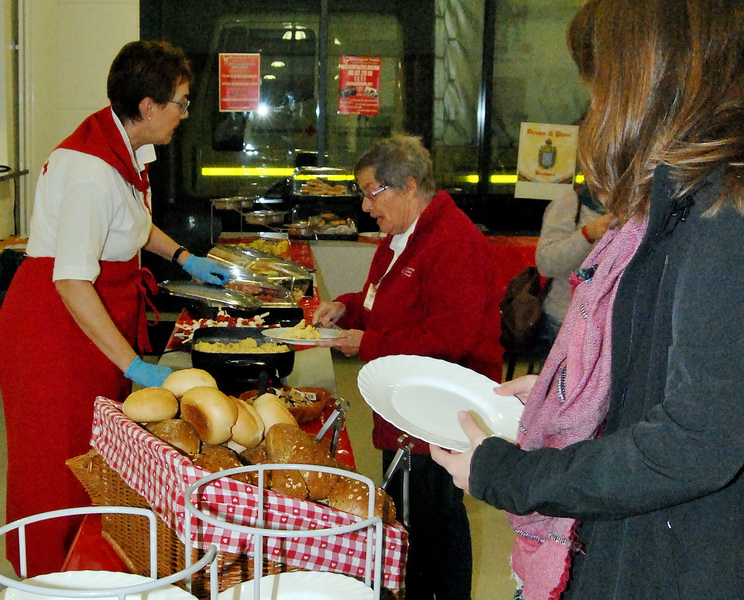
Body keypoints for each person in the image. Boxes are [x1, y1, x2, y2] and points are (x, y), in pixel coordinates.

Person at [431, 0, 744, 599]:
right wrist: (568, 391)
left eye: (600, 85)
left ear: (646, 80)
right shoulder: (678, 204)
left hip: (674, 561)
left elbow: (694, 443)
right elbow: (660, 369)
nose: (594, 110)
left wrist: (514, 475)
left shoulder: (723, 216)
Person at [0, 40, 230, 576]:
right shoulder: (90, 169)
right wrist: (132, 364)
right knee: (58, 459)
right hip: (56, 326)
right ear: (148, 106)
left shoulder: (124, 147)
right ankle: (46, 576)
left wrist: (184, 257)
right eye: (181, 103)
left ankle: (90, 564)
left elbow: (131, 223)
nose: (184, 114)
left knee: (98, 449)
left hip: (91, 316)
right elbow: (70, 280)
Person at [312, 134, 502, 600]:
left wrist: (369, 343)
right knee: (407, 519)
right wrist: (347, 308)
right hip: (404, 409)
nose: (365, 206)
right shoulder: (401, 235)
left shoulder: (454, 242)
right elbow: (385, 302)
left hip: (438, 415)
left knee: (435, 523)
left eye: (371, 192)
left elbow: (449, 340)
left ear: (409, 186)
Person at [534, 182, 609, 354]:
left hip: (612, 323)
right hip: (564, 320)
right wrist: (588, 234)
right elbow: (546, 263)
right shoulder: (571, 201)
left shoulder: (639, 205)